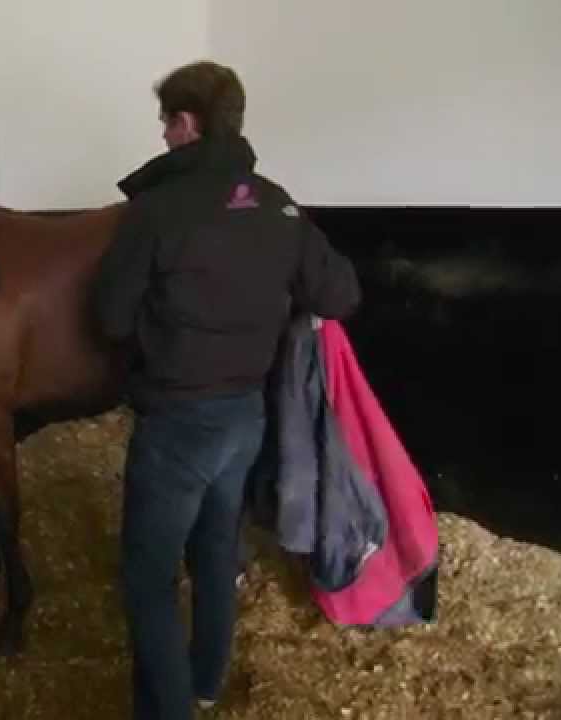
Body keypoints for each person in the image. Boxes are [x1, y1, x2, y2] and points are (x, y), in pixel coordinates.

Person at [92, 60, 361, 719]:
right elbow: (340, 294)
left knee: (150, 580)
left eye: (166, 122)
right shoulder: (276, 203)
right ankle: (207, 683)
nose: (162, 135)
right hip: (245, 415)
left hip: (176, 422)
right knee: (215, 552)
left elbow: (110, 318)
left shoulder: (156, 211)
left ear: (188, 123)